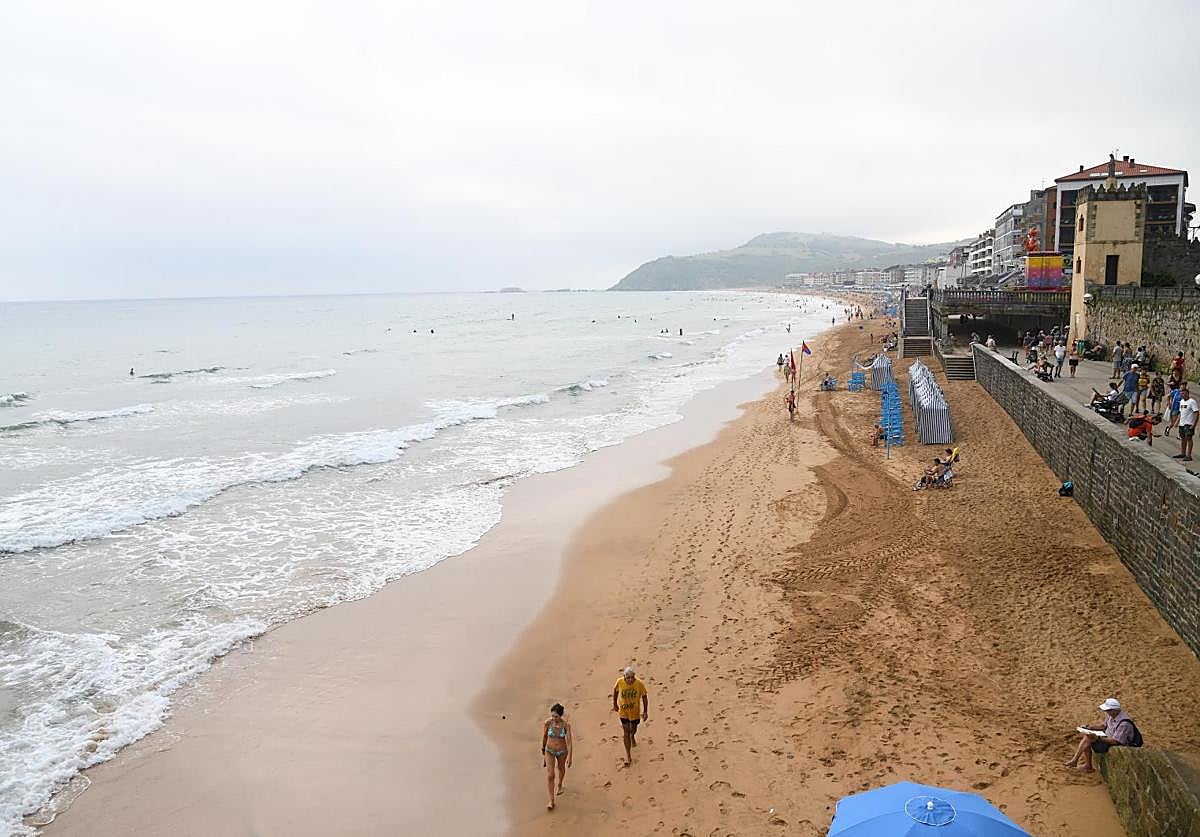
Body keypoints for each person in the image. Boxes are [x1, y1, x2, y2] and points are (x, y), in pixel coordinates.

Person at [1066, 698, 1140, 772]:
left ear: (1114, 710)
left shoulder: (1124, 724)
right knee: (1088, 736)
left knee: (1088, 739)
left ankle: (1078, 762)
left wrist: (1098, 738)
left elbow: (1115, 741)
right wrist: (1089, 727)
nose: (1106, 712)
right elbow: (1103, 726)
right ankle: (1079, 762)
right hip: (1108, 738)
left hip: (1116, 743)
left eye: (1108, 710)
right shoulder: (1112, 715)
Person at [612, 667, 648, 766]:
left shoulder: (639, 684)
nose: (630, 680)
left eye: (632, 677)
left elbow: (644, 696)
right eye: (628, 678)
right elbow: (615, 692)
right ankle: (628, 755)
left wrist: (645, 711)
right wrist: (614, 704)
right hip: (623, 712)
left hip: (635, 712)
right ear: (624, 677)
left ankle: (633, 736)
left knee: (633, 729)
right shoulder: (619, 682)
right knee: (626, 731)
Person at [541, 703, 572, 809]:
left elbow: (569, 742)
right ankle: (551, 800)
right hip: (549, 751)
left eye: (556, 716)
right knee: (550, 775)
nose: (554, 718)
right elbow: (545, 736)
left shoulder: (566, 726)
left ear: (561, 715)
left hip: (562, 752)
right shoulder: (547, 723)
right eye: (552, 716)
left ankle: (559, 785)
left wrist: (570, 757)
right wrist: (542, 749)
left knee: (561, 768)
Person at [1173, 384, 1196, 462]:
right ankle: (1183, 453)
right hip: (1182, 423)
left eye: (1183, 393)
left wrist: (1194, 424)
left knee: (1189, 438)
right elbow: (1181, 412)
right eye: (1181, 393)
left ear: (1187, 393)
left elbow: (1196, 413)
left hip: (1188, 423)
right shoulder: (1182, 402)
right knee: (1183, 438)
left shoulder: (1192, 402)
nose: (1181, 395)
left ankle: (1189, 455)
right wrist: (1177, 422)